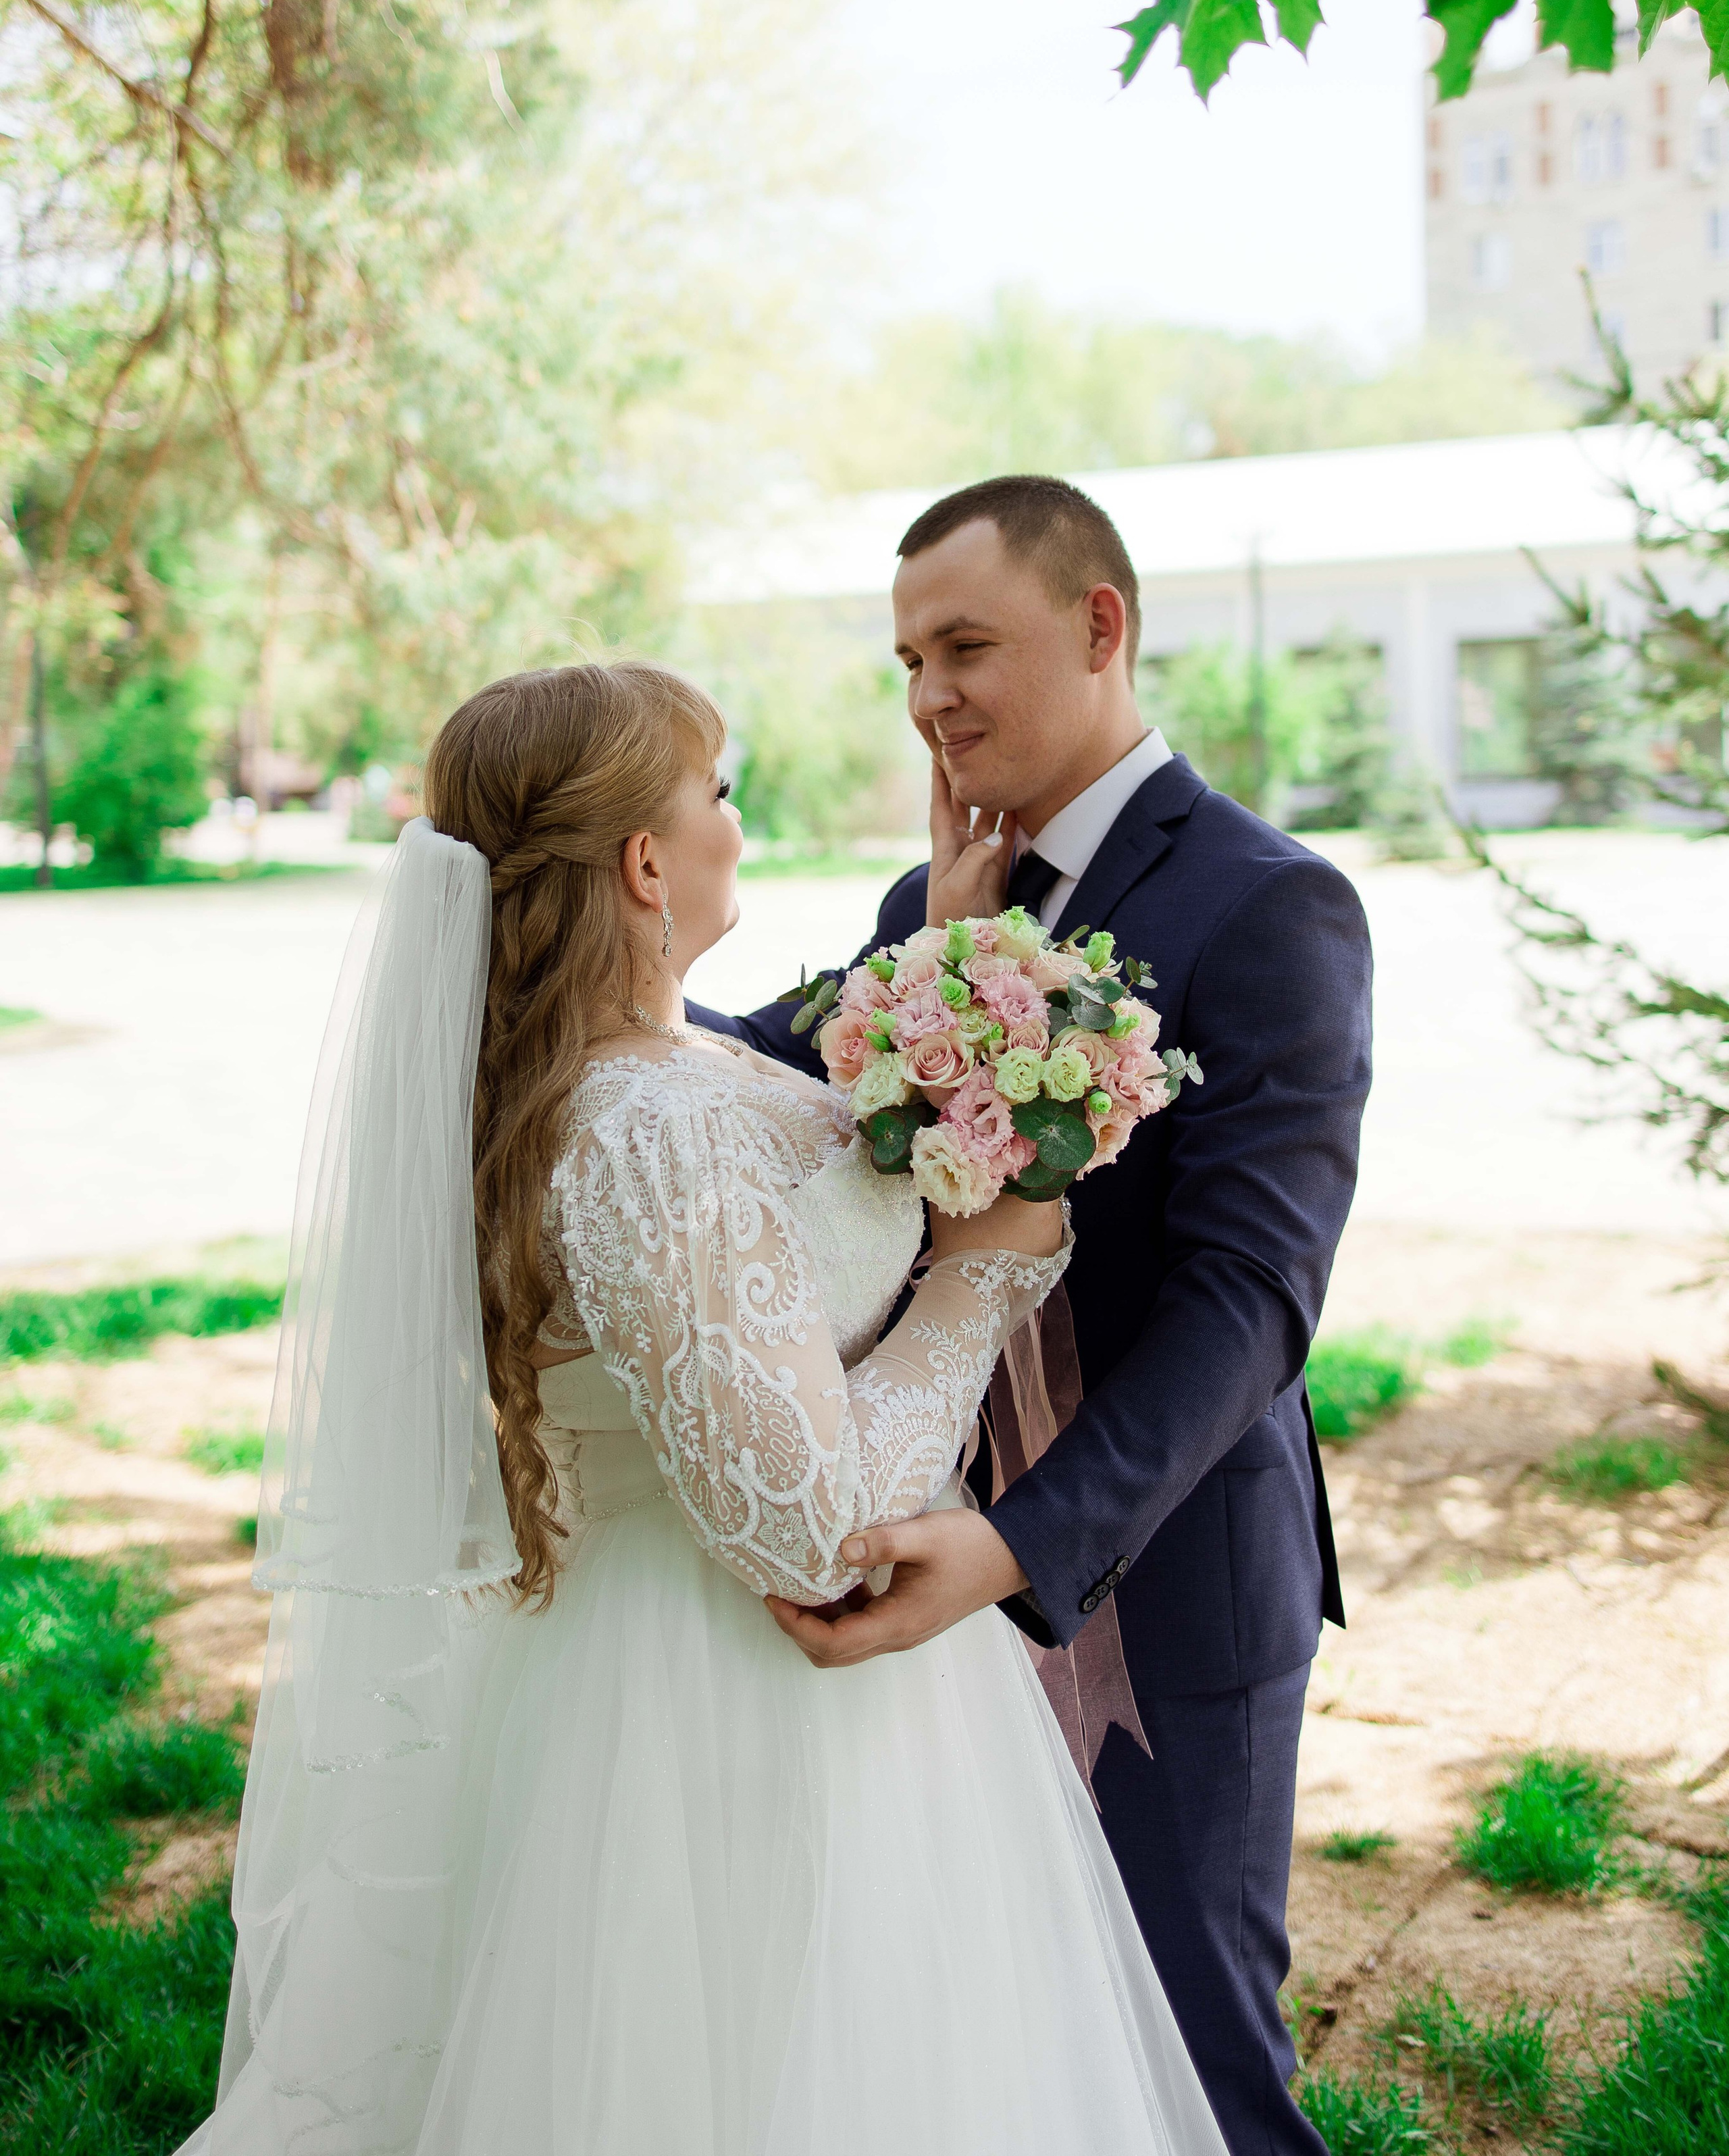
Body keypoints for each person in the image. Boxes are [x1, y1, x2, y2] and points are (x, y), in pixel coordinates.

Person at [184, 657, 1228, 2156]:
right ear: (644, 858)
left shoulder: (668, 1068)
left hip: (780, 1693)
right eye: (718, 791)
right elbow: (811, 1537)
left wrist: (940, 976)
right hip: (724, 1720)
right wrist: (980, 1277)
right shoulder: (642, 1135)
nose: (741, 823)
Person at [689, 476, 1374, 2156]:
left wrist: (1015, 1548)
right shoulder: (927, 902)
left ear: (1097, 624)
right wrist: (560, 948)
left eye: (965, 645)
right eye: (907, 659)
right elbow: (748, 1070)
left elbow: (1249, 1301)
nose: (929, 697)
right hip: (929, 1561)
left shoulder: (1265, 903)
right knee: (1008, 2044)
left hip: (1159, 1579)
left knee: (1194, 2049)